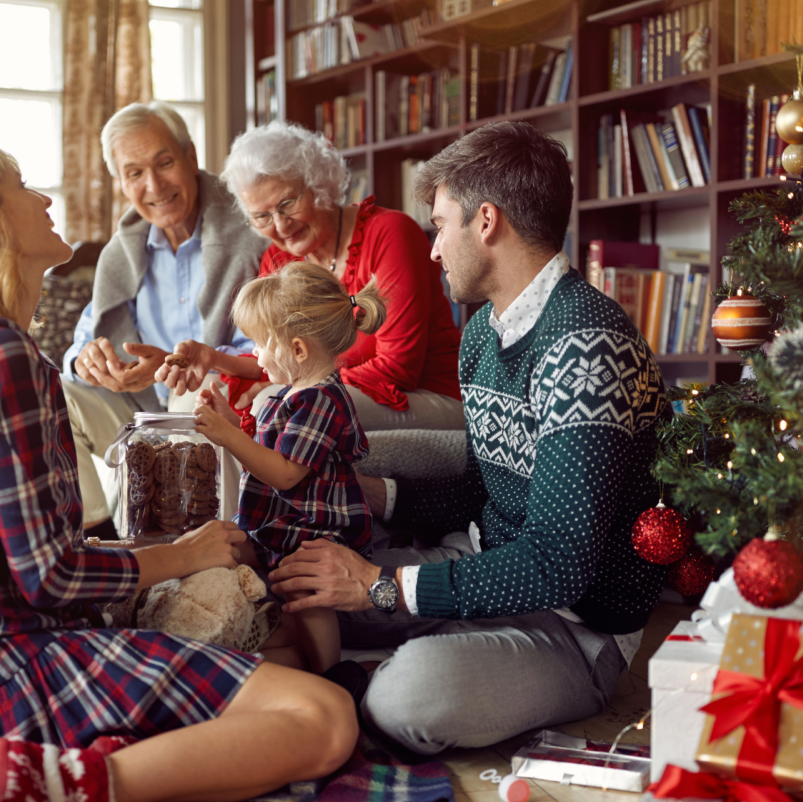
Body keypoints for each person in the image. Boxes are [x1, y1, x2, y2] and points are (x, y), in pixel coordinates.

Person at [0, 146, 357, 802]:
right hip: (9, 671)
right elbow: (51, 576)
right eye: (22, 188)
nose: (44, 200)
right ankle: (61, 793)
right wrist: (184, 554)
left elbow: (35, 564)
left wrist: (163, 558)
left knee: (282, 672)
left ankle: (76, 767)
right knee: (323, 715)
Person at [267, 122, 670, 756]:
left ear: (486, 222)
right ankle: (373, 669)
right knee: (299, 597)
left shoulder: (586, 344)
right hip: (479, 561)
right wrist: (376, 494)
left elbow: (559, 565)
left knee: (407, 697)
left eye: (439, 225)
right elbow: (482, 487)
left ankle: (374, 680)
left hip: (574, 627)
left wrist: (378, 584)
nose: (432, 250)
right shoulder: (484, 331)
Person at [157, 121, 464, 431]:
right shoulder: (279, 259)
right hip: (334, 389)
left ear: (318, 183)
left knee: (277, 406)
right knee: (196, 397)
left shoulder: (390, 234)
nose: (280, 224)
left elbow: (396, 369)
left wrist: (285, 391)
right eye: (262, 216)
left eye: (287, 204)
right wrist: (213, 358)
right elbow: (276, 359)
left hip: (422, 397)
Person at [59, 102, 268, 528]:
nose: (154, 184)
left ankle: (206, 546)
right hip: (138, 413)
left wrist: (173, 367)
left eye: (165, 162)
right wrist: (89, 362)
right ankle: (100, 539)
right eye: (135, 172)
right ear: (121, 182)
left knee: (197, 389)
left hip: (216, 402)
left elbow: (269, 345)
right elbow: (83, 342)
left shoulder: (250, 231)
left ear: (191, 156)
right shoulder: (123, 251)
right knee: (56, 395)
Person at [192, 262, 386, 675]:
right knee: (221, 548)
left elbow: (284, 473)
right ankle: (266, 642)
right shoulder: (290, 394)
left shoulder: (321, 399)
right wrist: (231, 423)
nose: (255, 355)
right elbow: (268, 446)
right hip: (279, 522)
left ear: (298, 349)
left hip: (312, 529)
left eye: (260, 344)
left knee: (306, 589)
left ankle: (332, 673)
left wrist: (230, 439)